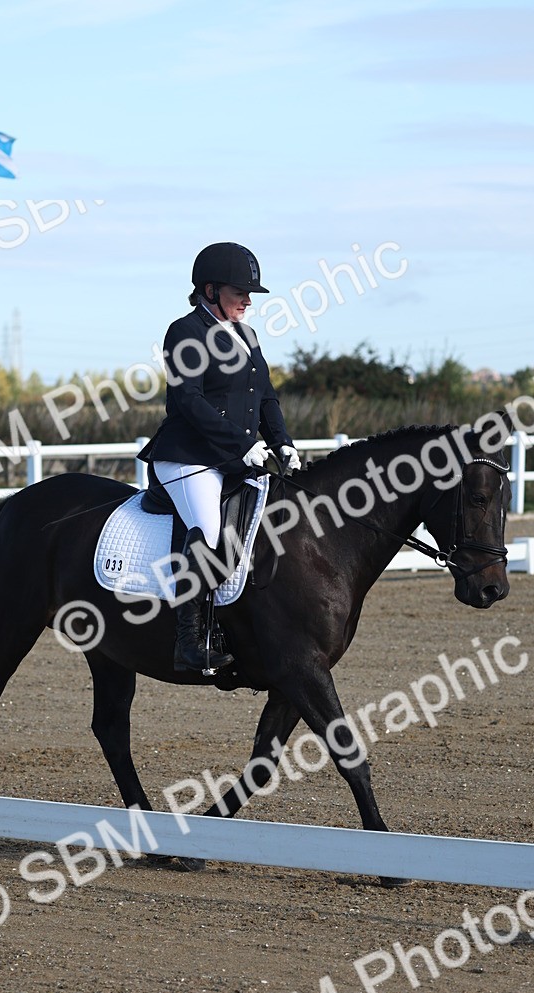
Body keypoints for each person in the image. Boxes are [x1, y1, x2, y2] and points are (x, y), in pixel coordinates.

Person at [138, 242, 301, 672]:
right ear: (210, 291)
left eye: (249, 294)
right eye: (239, 292)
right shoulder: (184, 332)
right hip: (188, 458)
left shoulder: (247, 335)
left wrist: (282, 441)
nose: (248, 301)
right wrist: (241, 443)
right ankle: (188, 642)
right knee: (209, 530)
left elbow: (265, 396)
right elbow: (188, 401)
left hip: (232, 457)